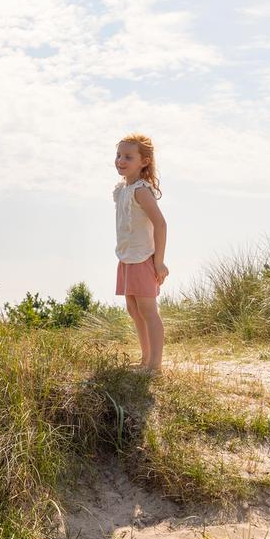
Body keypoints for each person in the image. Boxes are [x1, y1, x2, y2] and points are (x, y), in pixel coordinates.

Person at [114, 134, 168, 372]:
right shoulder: (121, 190)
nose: (120, 161)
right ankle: (145, 360)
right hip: (126, 259)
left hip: (143, 259)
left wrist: (159, 262)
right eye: (118, 155)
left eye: (128, 157)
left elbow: (161, 224)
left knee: (148, 312)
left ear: (144, 161)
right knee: (134, 311)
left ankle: (154, 366)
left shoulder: (141, 191)